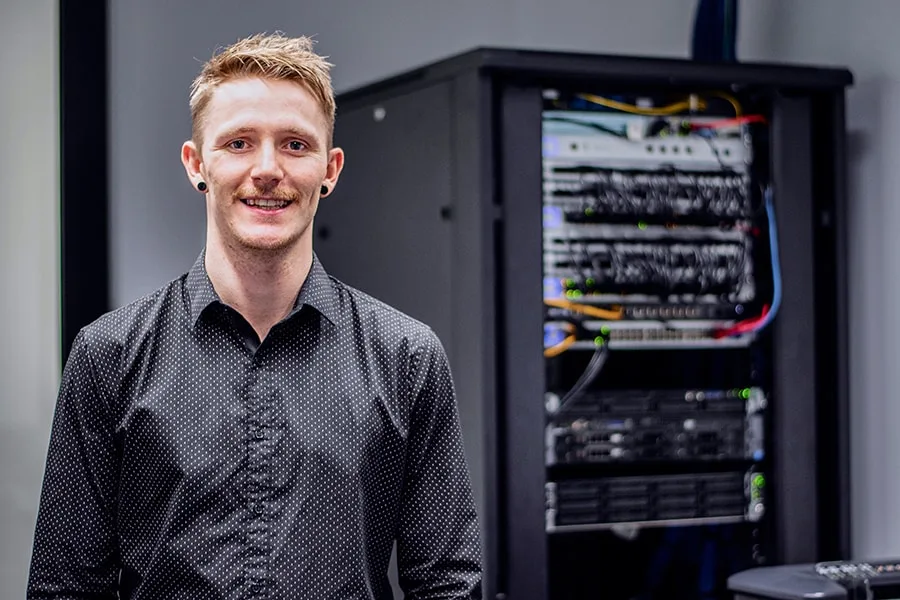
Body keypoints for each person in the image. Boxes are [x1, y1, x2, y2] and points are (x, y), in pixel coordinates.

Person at [27, 32, 483, 600]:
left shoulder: (408, 358)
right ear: (196, 164)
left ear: (330, 169)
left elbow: (445, 586)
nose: (267, 169)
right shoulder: (108, 356)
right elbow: (64, 587)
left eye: (295, 145)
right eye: (239, 143)